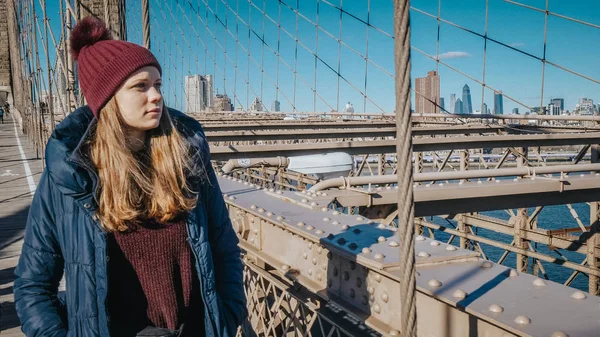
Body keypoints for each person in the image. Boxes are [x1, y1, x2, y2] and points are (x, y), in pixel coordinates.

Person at [13, 17, 246, 337]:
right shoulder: (69, 174)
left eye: (158, 85)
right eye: (140, 86)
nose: (156, 96)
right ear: (107, 98)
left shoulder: (187, 157)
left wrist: (228, 313)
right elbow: (33, 286)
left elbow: (224, 248)